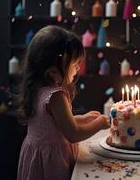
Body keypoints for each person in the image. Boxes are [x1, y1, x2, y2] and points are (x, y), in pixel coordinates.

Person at [17, 25, 110, 180]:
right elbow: (73, 134)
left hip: (36, 157)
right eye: (74, 65)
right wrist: (99, 123)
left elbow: (55, 125)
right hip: (51, 162)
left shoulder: (37, 89)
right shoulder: (56, 96)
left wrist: (83, 118)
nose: (78, 70)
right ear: (53, 71)